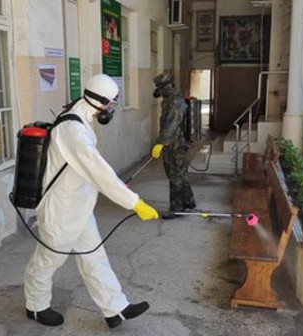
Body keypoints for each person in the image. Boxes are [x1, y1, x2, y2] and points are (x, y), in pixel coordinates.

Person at [24, 74, 159, 329]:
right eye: (109, 104)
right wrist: (134, 202)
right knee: (48, 259)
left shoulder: (81, 117)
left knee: (94, 257)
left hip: (80, 207)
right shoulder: (72, 130)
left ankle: (115, 309)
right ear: (98, 102)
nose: (110, 110)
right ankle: (35, 305)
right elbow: (99, 171)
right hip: (61, 210)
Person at [151, 73, 196, 220]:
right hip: (175, 143)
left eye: (158, 87)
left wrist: (161, 143)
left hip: (174, 144)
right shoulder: (171, 99)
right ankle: (189, 201)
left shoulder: (175, 102)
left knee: (174, 175)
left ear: (164, 87)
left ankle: (176, 208)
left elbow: (170, 125)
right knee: (180, 172)